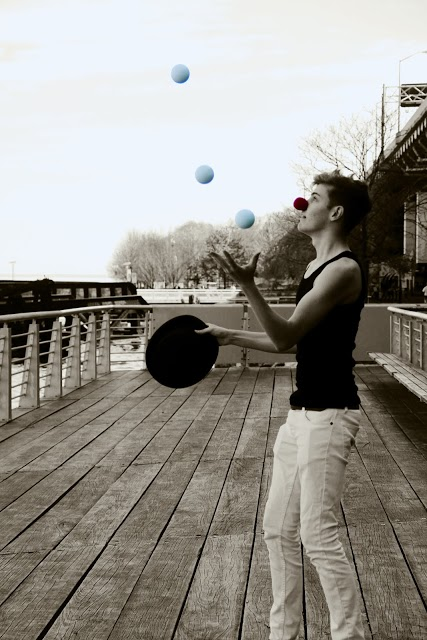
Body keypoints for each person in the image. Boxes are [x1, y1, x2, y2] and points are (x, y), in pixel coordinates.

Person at [196, 170, 371, 640]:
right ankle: (283, 631)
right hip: (303, 413)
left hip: (330, 415)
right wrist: (228, 335)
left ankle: (349, 635)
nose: (302, 204)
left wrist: (248, 286)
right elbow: (294, 341)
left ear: (335, 212)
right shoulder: (315, 267)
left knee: (317, 534)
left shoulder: (342, 270)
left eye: (312, 198)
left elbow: (285, 335)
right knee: (277, 529)